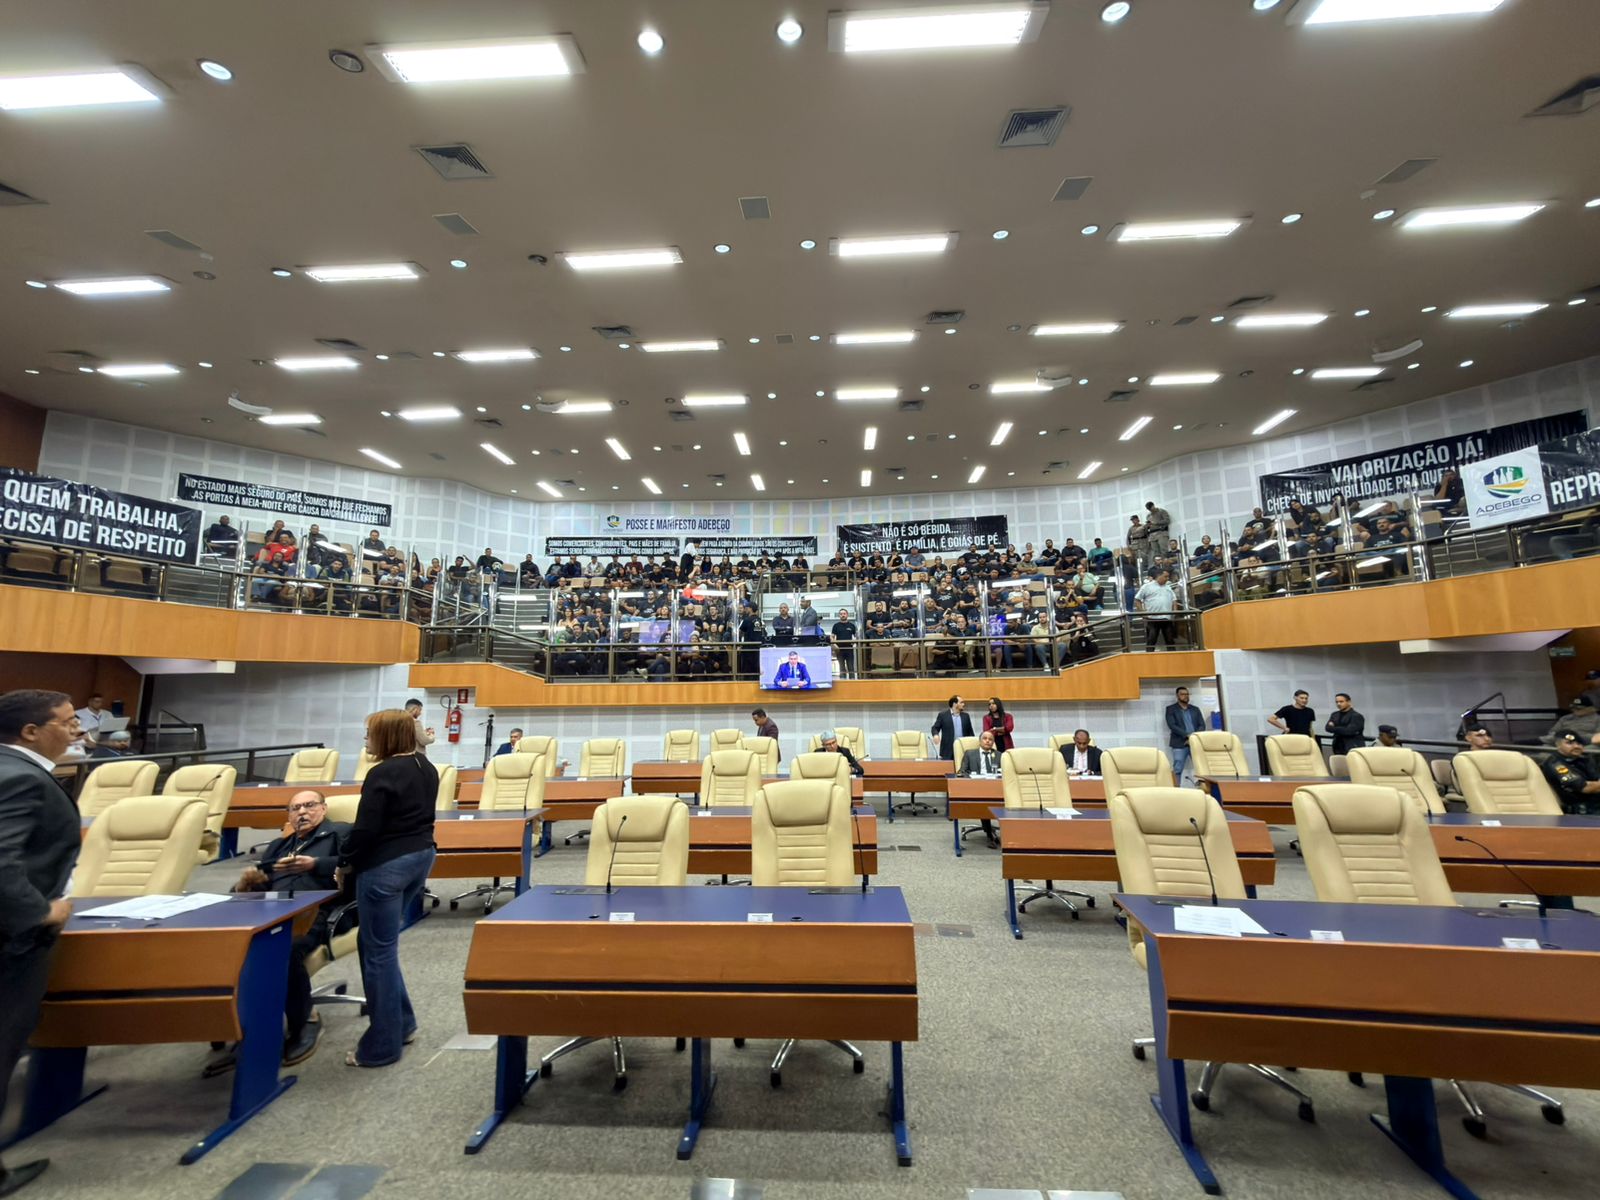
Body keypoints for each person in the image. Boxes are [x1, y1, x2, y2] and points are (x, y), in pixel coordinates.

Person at [0, 690, 82, 1196]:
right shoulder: (20, 777)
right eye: (67, 722)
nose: (77, 730)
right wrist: (40, 911)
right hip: (12, 939)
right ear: (31, 731)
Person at [340, 710, 437, 1067]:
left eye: (370, 732)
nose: (366, 738)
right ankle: (403, 1023)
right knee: (378, 945)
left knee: (377, 952)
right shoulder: (426, 767)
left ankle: (381, 1047)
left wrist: (344, 861)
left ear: (388, 736)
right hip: (421, 857)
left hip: (386, 867)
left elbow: (366, 830)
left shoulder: (382, 773)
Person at [228, 789, 350, 1069]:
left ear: (324, 808)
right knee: (233, 947)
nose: (302, 812)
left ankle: (305, 1020)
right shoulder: (279, 846)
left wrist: (315, 864)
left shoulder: (340, 834)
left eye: (309, 805)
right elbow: (259, 885)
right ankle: (247, 1027)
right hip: (273, 913)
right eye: (295, 808)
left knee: (285, 949)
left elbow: (357, 864)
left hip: (317, 913)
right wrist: (245, 886)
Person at [956, 729, 1003, 847]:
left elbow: (1004, 772)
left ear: (993, 742)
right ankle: (989, 835)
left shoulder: (999, 755)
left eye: (990, 739)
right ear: (980, 741)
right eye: (985, 739)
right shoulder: (969, 754)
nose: (987, 741)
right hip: (976, 788)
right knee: (985, 801)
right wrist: (972, 780)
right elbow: (962, 772)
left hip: (994, 788)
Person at [1542, 732, 1600, 815]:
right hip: (1580, 811)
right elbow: (1586, 788)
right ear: (1558, 745)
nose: (1576, 746)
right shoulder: (1555, 764)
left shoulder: (1584, 760)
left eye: (1579, 743)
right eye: (1569, 743)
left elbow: (1596, 779)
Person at [1165, 686, 1206, 783]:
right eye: (1183, 694)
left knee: (1202, 768)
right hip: (1179, 743)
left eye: (1187, 694)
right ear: (1177, 696)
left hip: (1195, 743)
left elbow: (1202, 725)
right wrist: (1187, 736)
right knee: (1177, 769)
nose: (1186, 696)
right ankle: (1176, 789)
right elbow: (1172, 725)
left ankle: (1204, 788)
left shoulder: (1195, 709)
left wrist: (1193, 738)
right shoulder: (1171, 709)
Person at [1135, 569, 1179, 651]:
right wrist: (1142, 612)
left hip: (1167, 618)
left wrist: (1175, 611)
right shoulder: (1146, 587)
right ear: (1159, 576)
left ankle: (1172, 656)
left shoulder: (1168, 587)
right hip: (1152, 618)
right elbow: (1137, 600)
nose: (1167, 578)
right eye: (1165, 576)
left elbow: (1174, 600)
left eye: (1168, 577)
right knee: (1151, 640)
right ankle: (1149, 657)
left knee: (1170, 640)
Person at [931, 695, 974, 761]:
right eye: (961, 702)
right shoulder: (943, 715)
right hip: (948, 750)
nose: (963, 704)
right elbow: (935, 728)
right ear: (954, 704)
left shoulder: (966, 716)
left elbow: (970, 733)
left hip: (963, 748)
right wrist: (935, 735)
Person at [831, 608, 857, 677]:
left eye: (844, 614)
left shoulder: (852, 626)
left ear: (847, 615)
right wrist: (834, 645)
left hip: (849, 649)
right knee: (841, 667)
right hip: (839, 649)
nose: (843, 615)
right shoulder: (836, 626)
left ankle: (852, 681)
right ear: (839, 615)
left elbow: (856, 636)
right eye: (841, 614)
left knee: (851, 666)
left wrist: (854, 642)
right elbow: (832, 636)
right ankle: (842, 680)